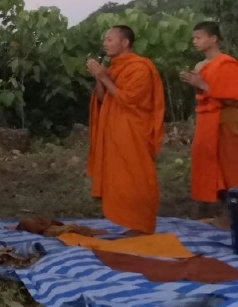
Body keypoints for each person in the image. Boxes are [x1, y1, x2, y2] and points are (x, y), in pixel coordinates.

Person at [87, 25, 166, 234]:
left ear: (125, 42)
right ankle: (131, 223)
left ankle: (142, 226)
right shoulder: (114, 68)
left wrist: (104, 77)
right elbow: (105, 99)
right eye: (105, 39)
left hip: (134, 131)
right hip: (115, 131)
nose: (105, 43)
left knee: (137, 178)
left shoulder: (140, 67)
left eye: (110, 39)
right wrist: (100, 77)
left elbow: (129, 100)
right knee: (120, 179)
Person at [180, 21, 238, 208]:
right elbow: (203, 97)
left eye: (199, 37)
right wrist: (198, 84)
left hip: (226, 123)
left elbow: (233, 99)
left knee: (230, 169)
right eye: (193, 38)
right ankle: (225, 215)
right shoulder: (201, 66)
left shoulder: (226, 64)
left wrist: (203, 85)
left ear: (213, 39)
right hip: (207, 124)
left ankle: (232, 218)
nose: (195, 42)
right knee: (212, 169)